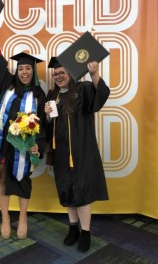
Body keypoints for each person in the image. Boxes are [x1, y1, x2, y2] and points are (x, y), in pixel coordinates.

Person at [0, 23, 46, 240]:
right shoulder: (8, 85)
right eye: (21, 68)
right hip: (4, 142)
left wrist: (38, 145)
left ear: (33, 71)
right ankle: (5, 217)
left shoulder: (39, 95)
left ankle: (22, 216)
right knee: (2, 176)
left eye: (28, 68)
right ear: (18, 70)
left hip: (24, 144)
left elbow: (44, 125)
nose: (24, 72)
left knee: (23, 178)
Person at [44, 57, 110, 252]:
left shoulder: (83, 89)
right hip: (61, 153)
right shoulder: (52, 95)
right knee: (66, 190)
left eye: (62, 73)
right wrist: (47, 115)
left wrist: (94, 74)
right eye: (55, 74)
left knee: (81, 193)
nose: (58, 76)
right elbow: (49, 127)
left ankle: (86, 233)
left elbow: (100, 98)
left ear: (70, 73)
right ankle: (73, 229)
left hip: (82, 151)